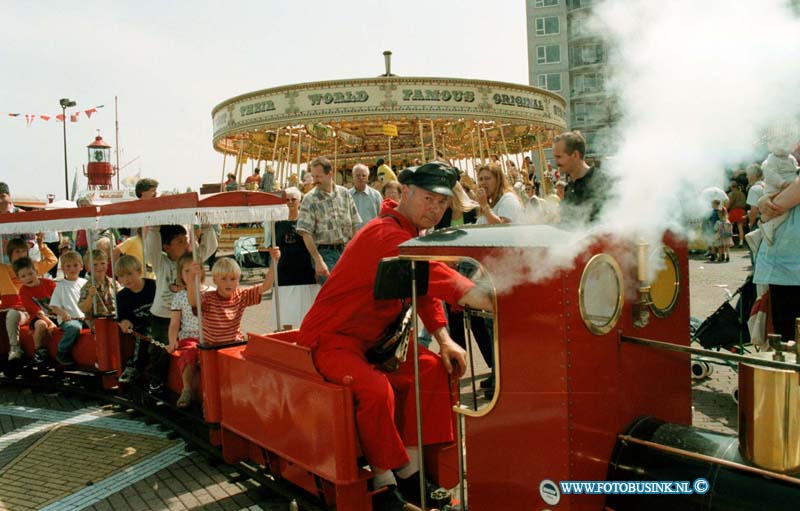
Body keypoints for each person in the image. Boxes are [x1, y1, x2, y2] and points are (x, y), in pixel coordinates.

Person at [298, 162, 493, 510]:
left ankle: (414, 469)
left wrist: (444, 339)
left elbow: (423, 290)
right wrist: (485, 297)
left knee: (433, 368)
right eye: (428, 199)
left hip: (374, 342)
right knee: (376, 390)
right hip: (334, 338)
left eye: (442, 203)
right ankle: (388, 480)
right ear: (405, 193)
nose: (435, 208)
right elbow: (434, 276)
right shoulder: (386, 235)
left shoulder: (409, 236)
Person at [144, 224, 217, 395]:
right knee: (162, 349)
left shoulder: (191, 260)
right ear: (166, 247)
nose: (186, 244)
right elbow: (151, 249)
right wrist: (153, 229)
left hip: (186, 317)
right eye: (180, 242)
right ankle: (156, 382)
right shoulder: (160, 262)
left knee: (190, 348)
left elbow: (210, 248)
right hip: (163, 316)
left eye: (186, 240)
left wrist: (207, 228)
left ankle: (189, 383)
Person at [186, 249, 280, 344]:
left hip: (234, 344)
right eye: (223, 279)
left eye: (233, 279)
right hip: (212, 348)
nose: (229, 283)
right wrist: (191, 277)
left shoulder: (241, 295)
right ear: (214, 280)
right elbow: (193, 301)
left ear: (238, 281)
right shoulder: (208, 297)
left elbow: (266, 286)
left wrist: (274, 262)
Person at [296, 156, 361, 284]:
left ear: (330, 173)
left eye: (318, 176)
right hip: (325, 254)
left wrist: (354, 251)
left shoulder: (345, 194)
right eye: (313, 176)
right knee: (335, 292)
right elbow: (305, 233)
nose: (315, 180)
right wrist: (318, 260)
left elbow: (354, 224)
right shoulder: (310, 199)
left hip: (346, 251)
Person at [264, 187, 320, 331]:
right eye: (287, 200)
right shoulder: (276, 222)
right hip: (284, 272)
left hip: (305, 271)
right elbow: (271, 244)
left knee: (306, 311)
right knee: (285, 311)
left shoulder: (307, 220)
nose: (290, 202)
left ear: (299, 202)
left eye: (293, 199)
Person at [753, 176, 800, 342]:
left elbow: (777, 206)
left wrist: (766, 200)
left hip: (790, 270)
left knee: (788, 341)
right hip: (788, 269)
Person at [1, 235, 57, 360]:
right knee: (9, 314)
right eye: (17, 251)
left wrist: (42, 246)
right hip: (10, 308)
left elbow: (52, 260)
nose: (21, 254)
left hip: (27, 310)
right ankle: (12, 350)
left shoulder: (32, 267)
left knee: (12, 314)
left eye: (23, 251)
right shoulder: (3, 269)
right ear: (10, 254)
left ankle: (17, 349)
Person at [167, 254, 205, 408]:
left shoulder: (210, 292)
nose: (191, 275)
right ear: (181, 275)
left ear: (201, 271)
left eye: (194, 270)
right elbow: (175, 323)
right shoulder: (180, 297)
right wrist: (172, 341)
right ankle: (187, 389)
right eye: (186, 271)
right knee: (190, 353)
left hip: (210, 335)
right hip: (190, 336)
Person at [553, 130, 610, 224]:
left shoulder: (601, 182)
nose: (556, 162)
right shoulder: (569, 189)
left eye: (559, 157)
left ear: (575, 155)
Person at [116, 255, 157, 384]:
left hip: (159, 323)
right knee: (143, 335)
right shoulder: (122, 297)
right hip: (140, 329)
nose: (126, 279)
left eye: (129, 274)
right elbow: (123, 317)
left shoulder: (153, 286)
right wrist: (125, 322)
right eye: (122, 276)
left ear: (139, 271)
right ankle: (134, 366)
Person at [14, 256, 58, 364]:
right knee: (41, 324)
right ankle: (39, 350)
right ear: (19, 279)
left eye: (30, 274)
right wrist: (51, 323)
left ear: (36, 271)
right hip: (38, 317)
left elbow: (58, 301)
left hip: (56, 314)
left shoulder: (49, 283)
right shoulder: (24, 291)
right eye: (23, 276)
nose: (28, 278)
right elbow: (37, 311)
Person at [48, 250, 87, 366]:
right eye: (68, 266)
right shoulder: (60, 286)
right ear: (63, 269)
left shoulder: (85, 283)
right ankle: (62, 352)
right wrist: (63, 313)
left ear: (81, 267)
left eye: (75, 265)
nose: (72, 269)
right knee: (73, 328)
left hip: (85, 318)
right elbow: (54, 306)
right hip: (69, 319)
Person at [760, 146, 799, 246]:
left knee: (779, 210)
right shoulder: (771, 159)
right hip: (776, 188)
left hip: (786, 188)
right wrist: (784, 184)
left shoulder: (791, 158)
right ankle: (768, 226)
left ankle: (763, 227)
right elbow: (770, 175)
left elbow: (794, 169)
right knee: (778, 210)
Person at [78, 249, 119, 331]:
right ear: (87, 267)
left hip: (115, 320)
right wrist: (90, 296)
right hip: (98, 323)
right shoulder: (87, 287)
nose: (99, 267)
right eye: (95, 264)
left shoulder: (113, 283)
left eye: (102, 263)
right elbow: (83, 308)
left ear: (107, 264)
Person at [0, 182, 33, 265]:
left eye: (2, 196)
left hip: (18, 262)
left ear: (9, 196)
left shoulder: (20, 214)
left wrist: (19, 252)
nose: (0, 200)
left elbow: (31, 239)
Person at [349, 163, 383, 229]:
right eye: (358, 175)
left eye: (363, 175)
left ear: (368, 177)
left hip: (371, 234)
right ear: (353, 176)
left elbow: (382, 216)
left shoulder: (376, 195)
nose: (361, 178)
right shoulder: (347, 195)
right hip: (353, 235)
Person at [726, 181, 748, 248]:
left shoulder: (731, 194)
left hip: (734, 211)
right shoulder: (742, 194)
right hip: (741, 211)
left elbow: (729, 203)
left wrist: (726, 209)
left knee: (730, 227)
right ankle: (741, 242)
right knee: (740, 228)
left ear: (732, 187)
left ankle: (731, 242)